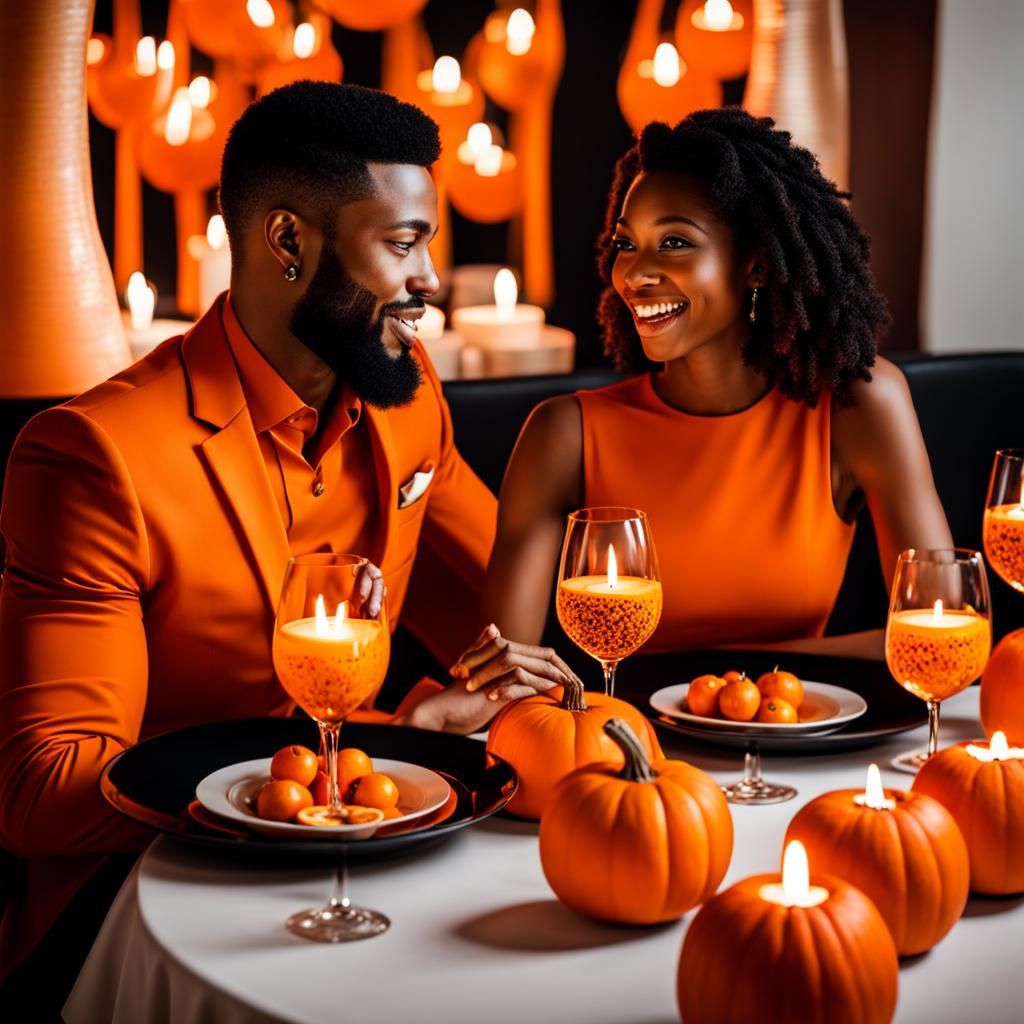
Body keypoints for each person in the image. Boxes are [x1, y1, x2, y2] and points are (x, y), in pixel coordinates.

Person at [0, 82, 576, 999]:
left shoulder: (406, 388)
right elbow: (44, 795)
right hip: (146, 909)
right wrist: (386, 749)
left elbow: (515, 599)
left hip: (380, 863)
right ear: (287, 241)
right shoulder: (96, 456)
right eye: (402, 244)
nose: (428, 279)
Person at [483, 108, 951, 657]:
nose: (633, 274)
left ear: (755, 265)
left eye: (676, 242)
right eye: (626, 244)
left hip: (801, 730)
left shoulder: (856, 406)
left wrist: (721, 680)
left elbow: (940, 642)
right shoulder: (564, 434)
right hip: (618, 740)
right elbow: (500, 674)